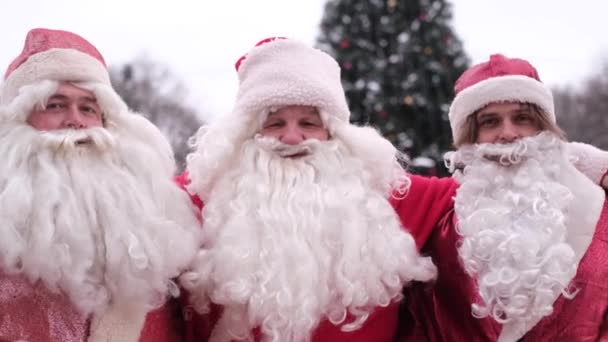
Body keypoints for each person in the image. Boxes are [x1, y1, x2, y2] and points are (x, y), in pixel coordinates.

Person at [176, 37, 459, 342]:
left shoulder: (385, 198)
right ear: (248, 133)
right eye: (275, 123)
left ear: (334, 133)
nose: (293, 137)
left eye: (309, 123)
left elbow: (481, 193)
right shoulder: (203, 197)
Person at [0, 28, 202, 341]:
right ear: (19, 118)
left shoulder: (156, 216)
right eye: (55, 105)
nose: (75, 121)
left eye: (88, 108)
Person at [398, 54, 608, 341]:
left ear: (542, 127)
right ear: (470, 135)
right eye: (490, 122)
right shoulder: (441, 221)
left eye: (522, 118)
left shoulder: (599, 211)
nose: (507, 133)